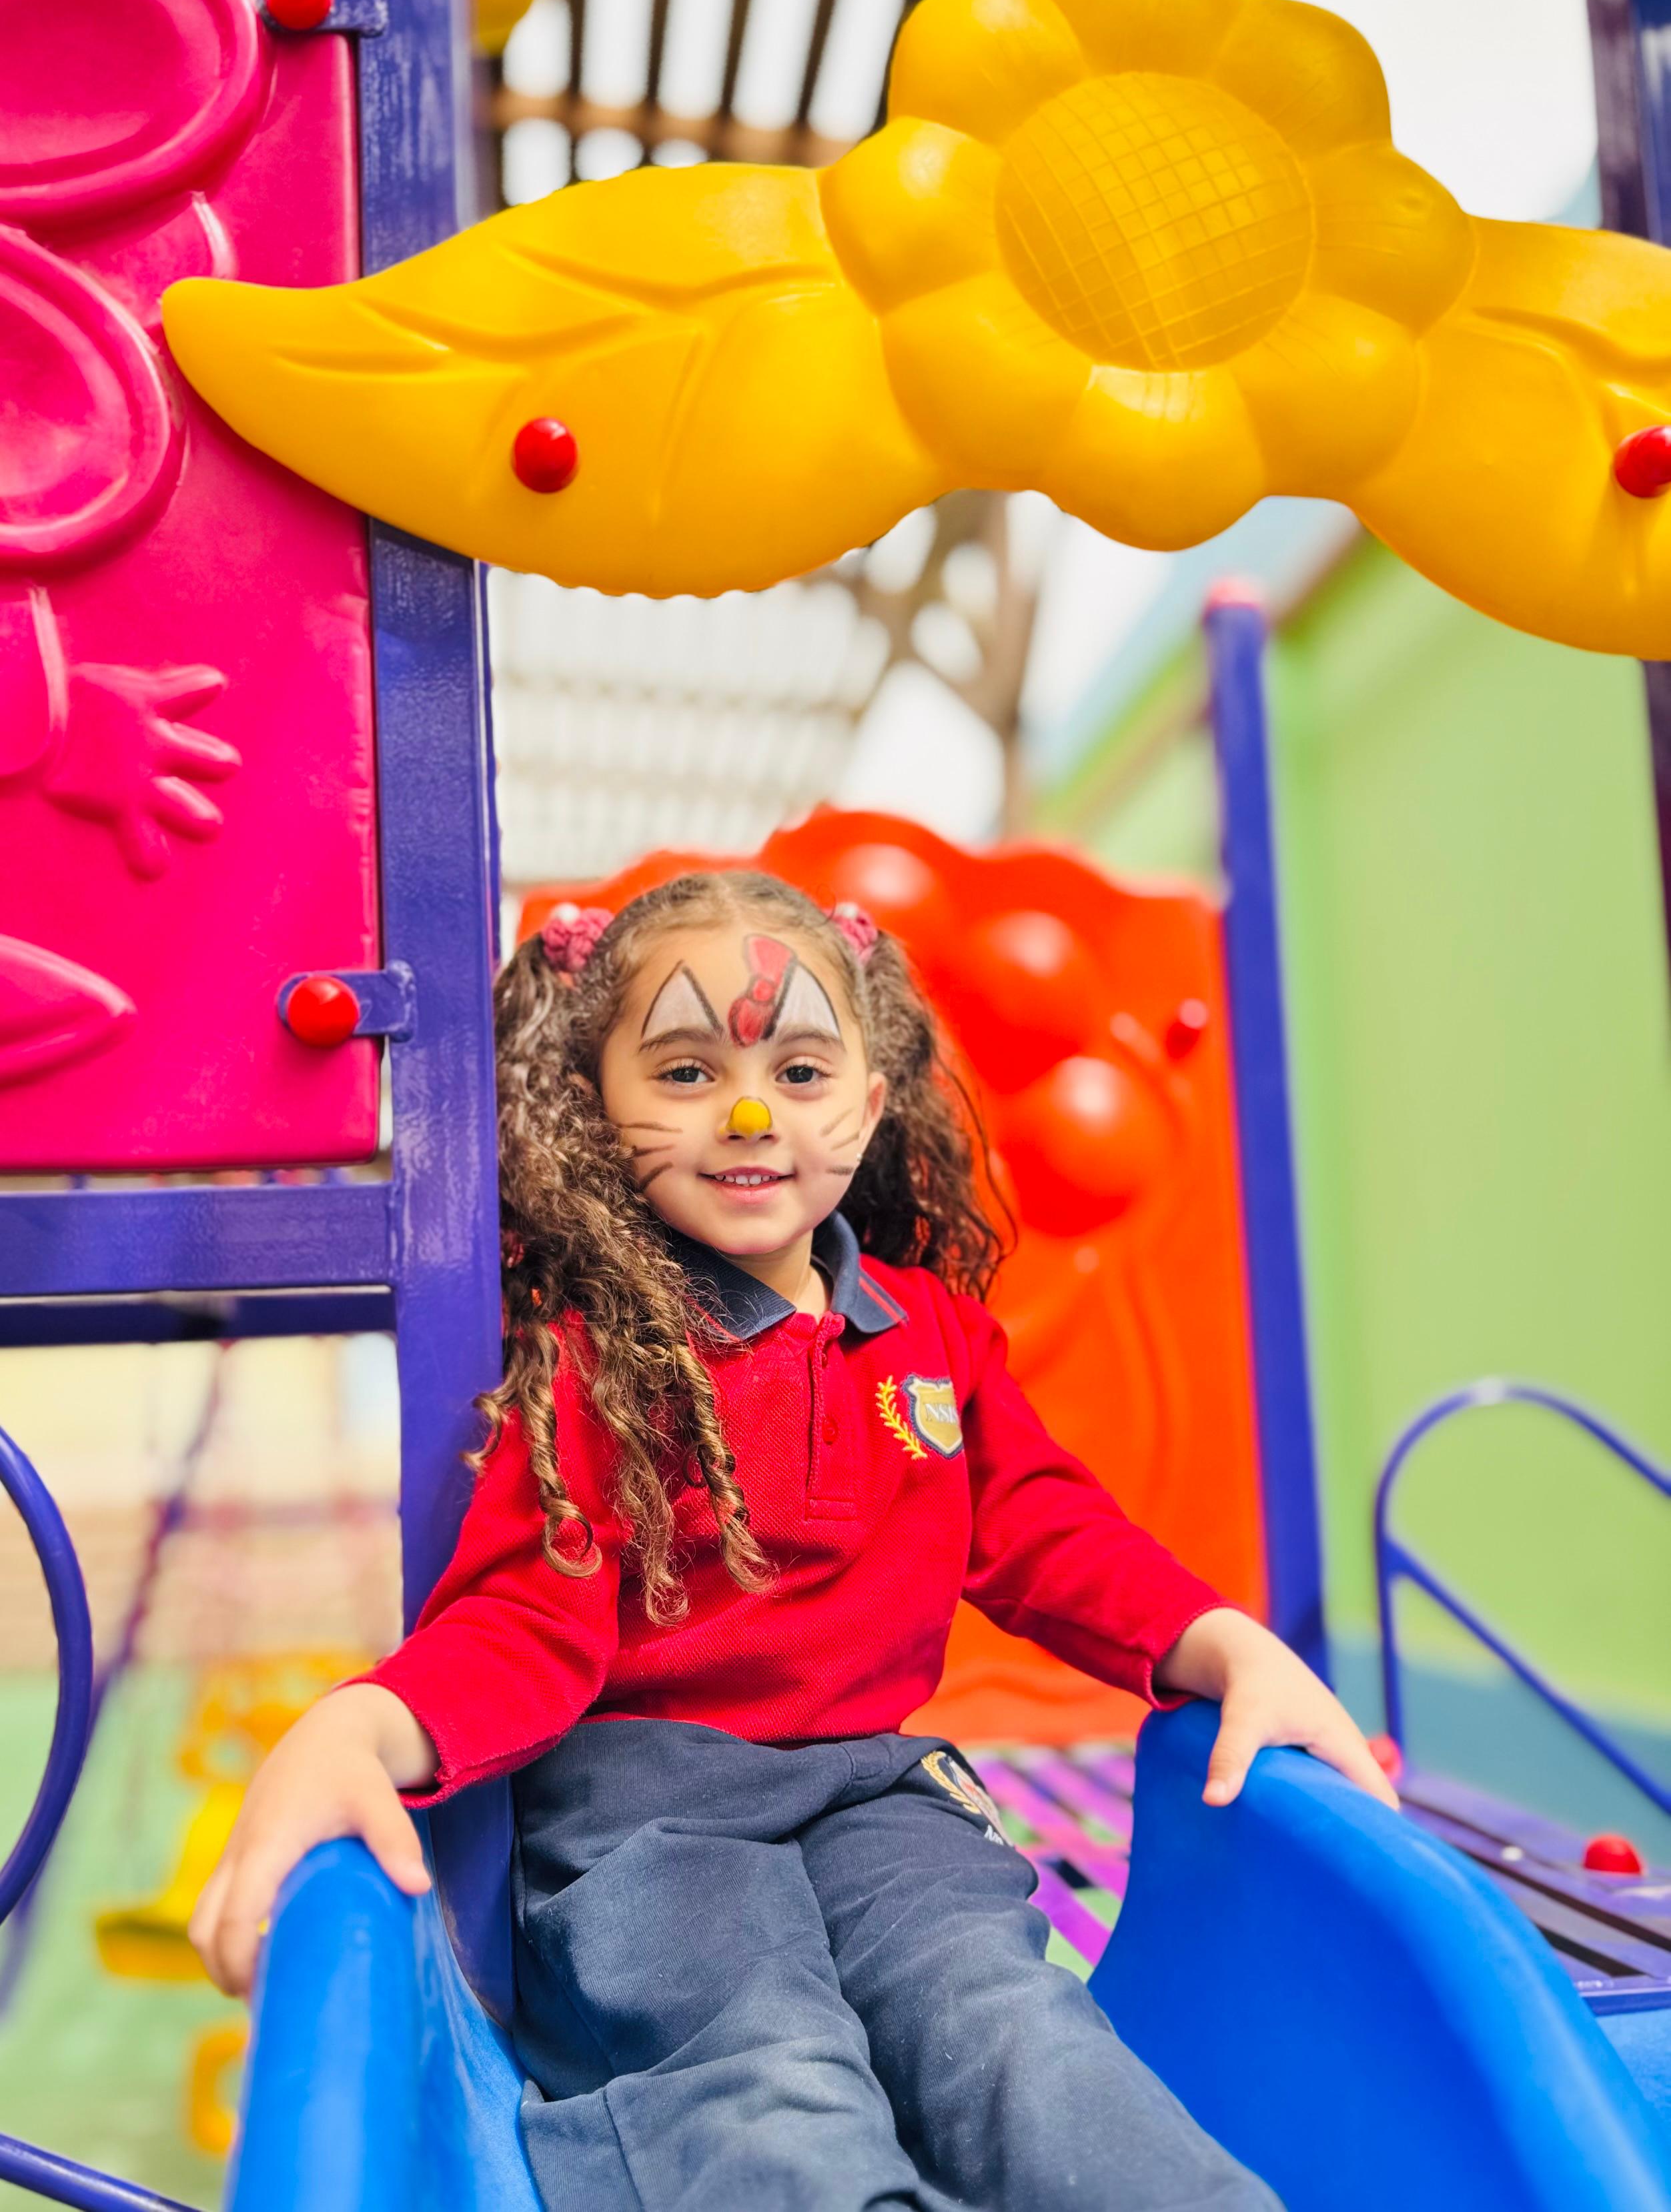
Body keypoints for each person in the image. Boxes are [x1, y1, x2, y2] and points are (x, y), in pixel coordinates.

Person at [191, 870, 1394, 2211]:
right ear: (597, 1103)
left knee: (1007, 2024)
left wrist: (1218, 1642)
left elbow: (1047, 1525)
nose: (751, 1114)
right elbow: (530, 1615)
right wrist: (361, 1725)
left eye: (801, 1066)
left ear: (868, 1103)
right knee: (760, 2060)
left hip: (876, 1793)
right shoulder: (599, 1358)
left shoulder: (933, 1335)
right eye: (689, 1068)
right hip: (648, 1808)